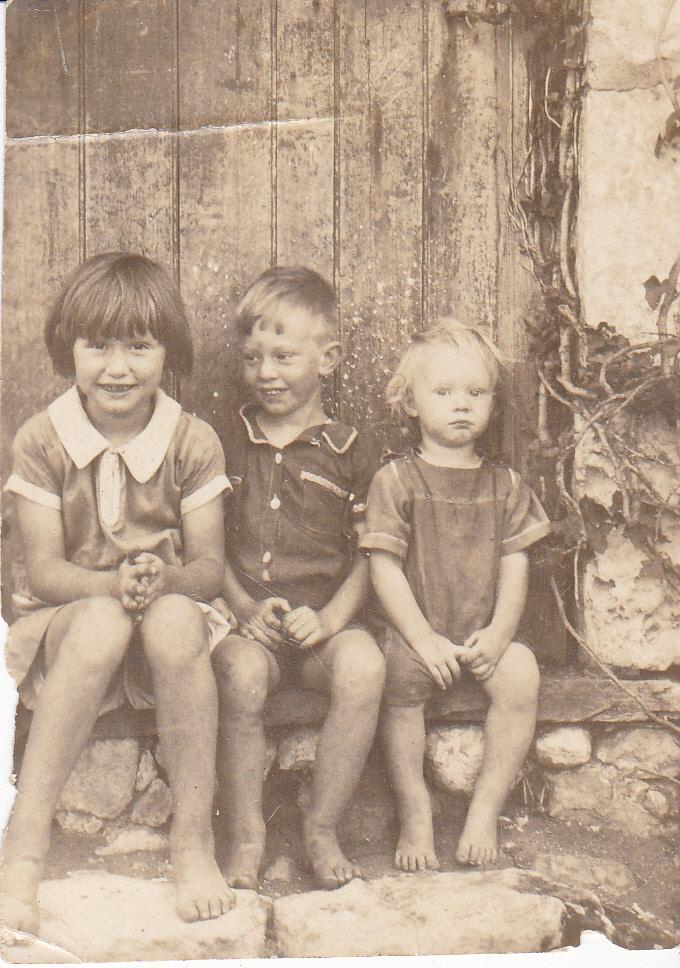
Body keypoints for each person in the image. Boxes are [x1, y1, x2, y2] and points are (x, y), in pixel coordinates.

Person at [1, 253, 234, 939]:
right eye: (96, 345)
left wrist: (168, 579)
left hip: (167, 621)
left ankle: (193, 842)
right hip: (74, 620)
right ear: (66, 348)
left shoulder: (191, 442)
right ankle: (24, 849)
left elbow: (210, 567)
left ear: (171, 352)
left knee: (170, 621)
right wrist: (108, 584)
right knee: (104, 620)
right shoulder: (43, 440)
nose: (117, 367)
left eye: (140, 345)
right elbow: (44, 571)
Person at [212, 266, 385, 891]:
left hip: (323, 626)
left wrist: (335, 619)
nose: (266, 373)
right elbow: (206, 544)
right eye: (253, 357)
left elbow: (372, 553)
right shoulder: (227, 442)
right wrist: (239, 608)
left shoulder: (353, 450)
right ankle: (248, 833)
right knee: (238, 674)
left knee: (364, 666)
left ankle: (322, 826)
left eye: (283, 356)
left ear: (328, 359)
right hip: (245, 620)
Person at [360, 319, 550, 872]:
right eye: (443, 393)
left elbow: (517, 564)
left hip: (481, 632)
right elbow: (384, 567)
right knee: (397, 682)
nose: (461, 405)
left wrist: (499, 634)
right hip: (417, 633)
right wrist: (419, 637)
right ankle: (414, 805)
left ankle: (485, 808)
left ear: (493, 400)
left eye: (476, 392)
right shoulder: (396, 480)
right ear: (410, 402)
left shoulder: (507, 485)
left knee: (521, 675)